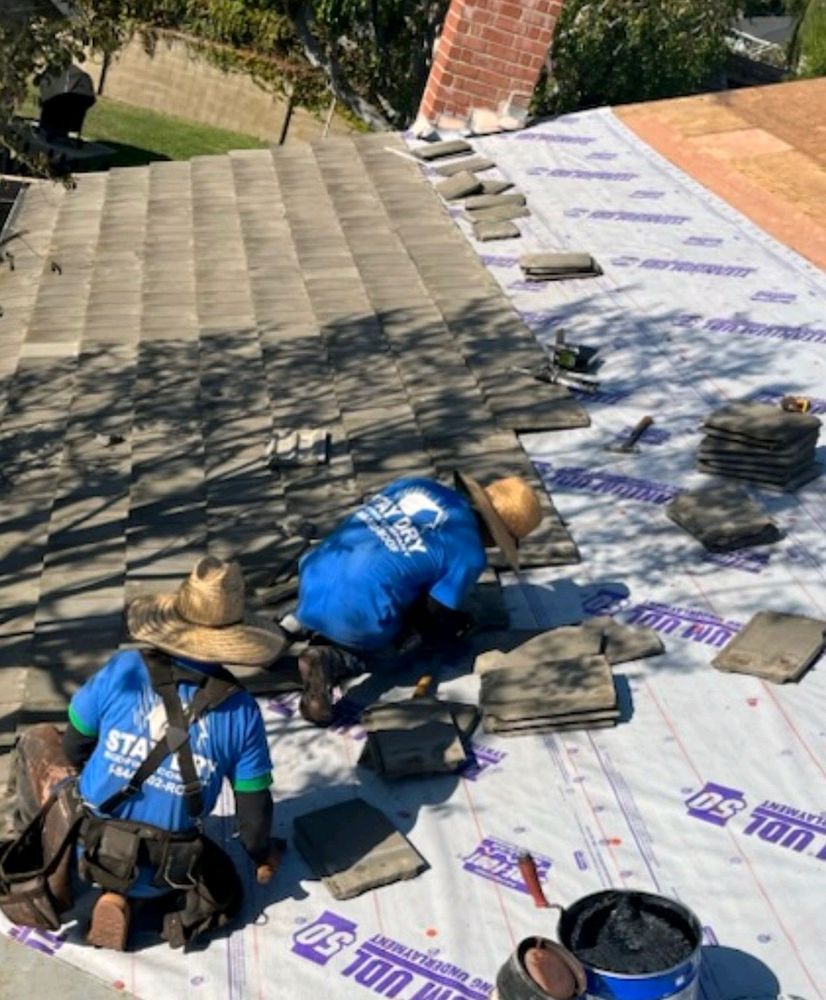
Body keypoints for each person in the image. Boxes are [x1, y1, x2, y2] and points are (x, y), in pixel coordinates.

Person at [4, 557, 287, 951]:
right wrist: (261, 853)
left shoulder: (123, 669)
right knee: (219, 882)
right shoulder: (242, 712)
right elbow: (253, 814)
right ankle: (135, 901)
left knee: (39, 738)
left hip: (90, 844)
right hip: (167, 868)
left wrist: (115, 775)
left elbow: (74, 747)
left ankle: (53, 856)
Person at [281, 472, 542, 725]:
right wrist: (448, 632)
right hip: (356, 614)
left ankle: (298, 621)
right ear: (497, 535)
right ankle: (334, 658)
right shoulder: (469, 552)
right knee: (402, 651)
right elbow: (429, 616)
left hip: (313, 574)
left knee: (379, 575)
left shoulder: (417, 485)